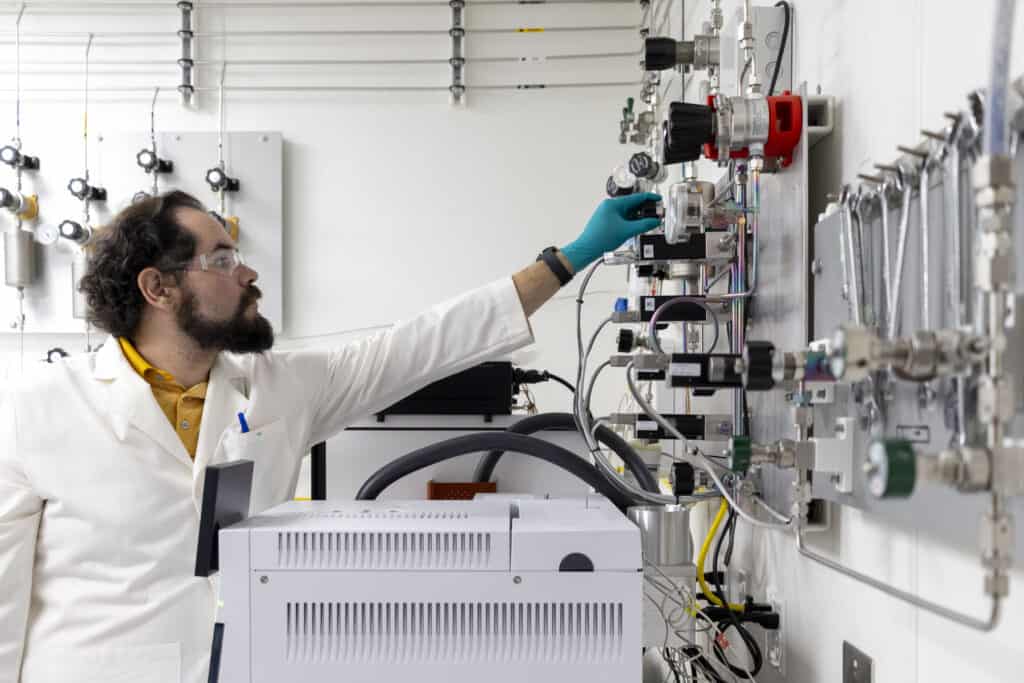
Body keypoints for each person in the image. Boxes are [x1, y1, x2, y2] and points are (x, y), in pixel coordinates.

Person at [0, 188, 661, 683]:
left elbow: (416, 347)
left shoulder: (276, 389)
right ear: (158, 288)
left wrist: (566, 259)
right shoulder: (37, 414)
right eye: (223, 258)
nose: (248, 273)